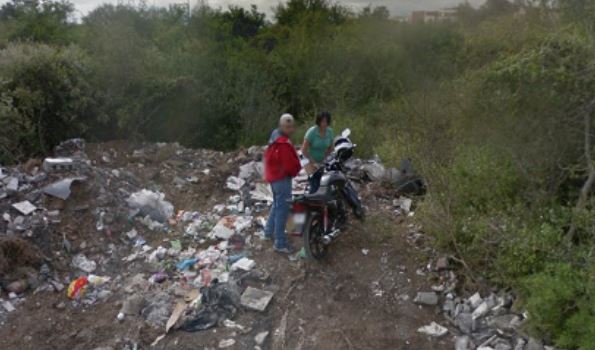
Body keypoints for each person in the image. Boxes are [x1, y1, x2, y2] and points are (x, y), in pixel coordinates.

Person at [263, 114, 302, 253]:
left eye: (291, 126)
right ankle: (280, 242)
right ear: (281, 126)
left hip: (273, 177)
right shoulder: (283, 144)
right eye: (287, 127)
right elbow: (290, 166)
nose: (290, 129)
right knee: (282, 211)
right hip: (281, 179)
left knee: (277, 205)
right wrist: (297, 169)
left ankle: (268, 232)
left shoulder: (274, 136)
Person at [302, 111, 334, 194]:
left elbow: (331, 148)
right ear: (319, 121)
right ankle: (311, 204)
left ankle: (322, 205)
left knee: (323, 183)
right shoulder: (312, 132)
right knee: (314, 183)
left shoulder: (329, 132)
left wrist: (324, 158)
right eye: (323, 121)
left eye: (326, 121)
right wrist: (313, 162)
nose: (324, 124)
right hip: (308, 159)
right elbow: (304, 150)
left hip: (321, 160)